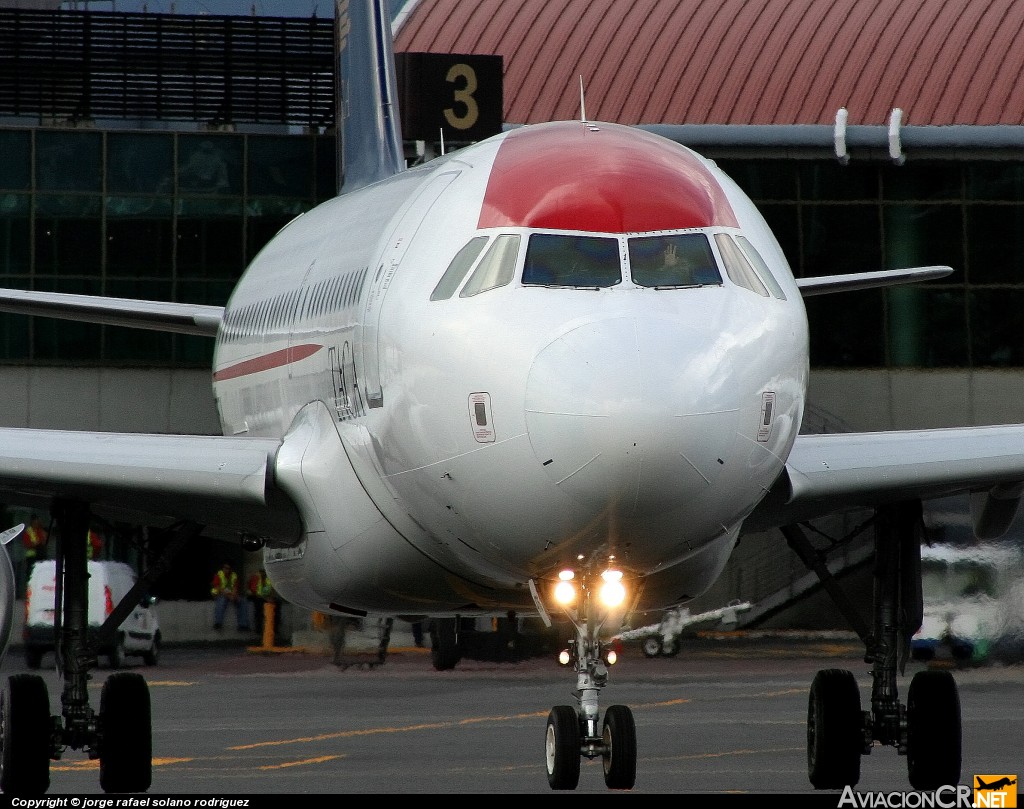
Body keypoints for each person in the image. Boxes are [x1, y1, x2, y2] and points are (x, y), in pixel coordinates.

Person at [211, 561, 249, 631]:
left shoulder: (234, 575)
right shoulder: (219, 574)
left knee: (242, 601)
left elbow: (235, 588)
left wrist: (235, 596)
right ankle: (218, 623)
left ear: (231, 569)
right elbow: (218, 587)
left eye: (228, 568)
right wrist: (229, 596)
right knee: (222, 601)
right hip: (219, 594)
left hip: (230, 594)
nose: (226, 570)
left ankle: (243, 625)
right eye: (225, 568)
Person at [247, 568, 278, 641]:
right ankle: (258, 629)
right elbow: (255, 591)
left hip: (265, 597)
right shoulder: (256, 578)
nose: (263, 574)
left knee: (276, 605)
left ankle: (275, 627)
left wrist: (271, 598)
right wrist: (266, 598)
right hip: (257, 597)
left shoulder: (268, 579)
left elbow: (271, 590)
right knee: (259, 609)